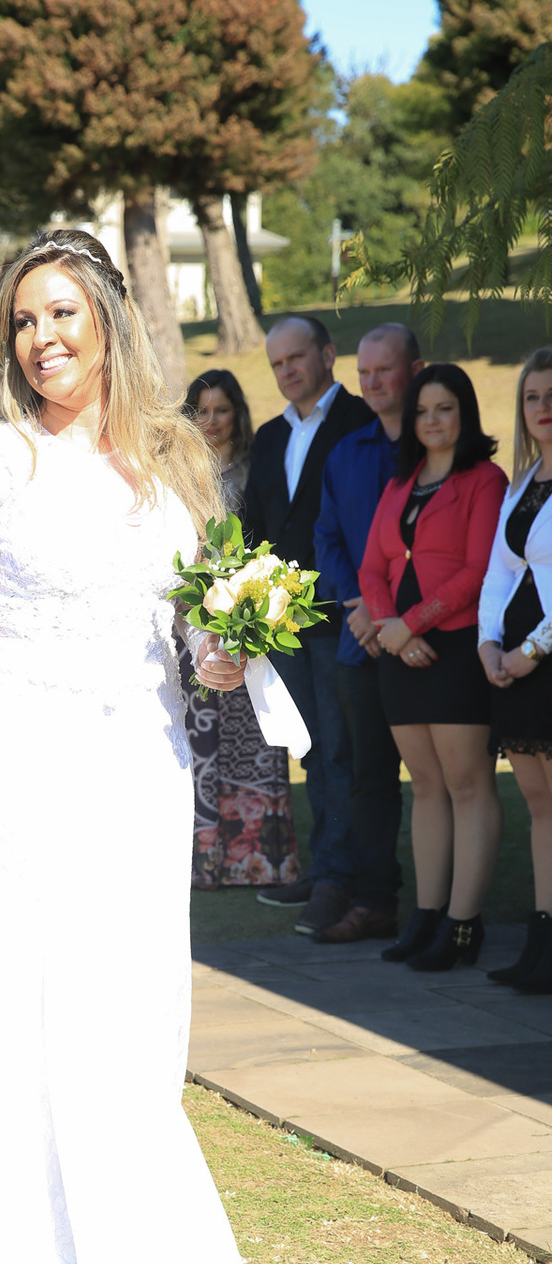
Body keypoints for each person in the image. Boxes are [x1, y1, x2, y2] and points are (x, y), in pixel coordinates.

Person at [0, 228, 252, 1264]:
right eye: (24, 321)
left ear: (105, 322)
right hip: (27, 739)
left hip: (144, 749)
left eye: (61, 316)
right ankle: (5, 1235)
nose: (43, 339)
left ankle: (132, 1235)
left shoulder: (176, 458)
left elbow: (199, 634)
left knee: (133, 975)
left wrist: (225, 656)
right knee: (26, 961)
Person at [359, 365, 507, 970]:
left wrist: (409, 625)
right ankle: (426, 916)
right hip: (401, 652)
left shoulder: (485, 480)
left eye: (444, 409)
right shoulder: (401, 483)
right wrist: (389, 629)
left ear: (464, 413)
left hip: (455, 649)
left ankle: (463, 924)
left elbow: (477, 571)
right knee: (425, 788)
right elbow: (372, 567)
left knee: (468, 785)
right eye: (422, 411)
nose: (432, 420)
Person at [241, 317, 372, 937]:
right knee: (315, 750)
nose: (288, 370)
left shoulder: (360, 424)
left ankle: (342, 879)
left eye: (297, 357)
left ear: (327, 355)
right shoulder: (270, 438)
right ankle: (327, 867)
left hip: (346, 616)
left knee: (345, 750)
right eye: (277, 364)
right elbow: (254, 527)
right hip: (286, 623)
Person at [312, 324, 425, 942]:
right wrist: (358, 601)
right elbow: (327, 538)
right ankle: (376, 898)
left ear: (414, 369)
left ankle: (452, 909)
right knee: (369, 776)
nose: (375, 383)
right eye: (366, 373)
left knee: (441, 781)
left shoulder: (438, 448)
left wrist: (394, 616)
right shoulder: (346, 453)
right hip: (361, 640)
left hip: (427, 640)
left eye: (386, 370)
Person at [179, 369, 300, 888]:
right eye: (200, 410)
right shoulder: (175, 474)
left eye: (221, 410)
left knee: (254, 740)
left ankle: (258, 860)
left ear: (238, 414)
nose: (211, 421)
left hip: (251, 624)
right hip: (195, 627)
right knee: (201, 744)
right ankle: (204, 862)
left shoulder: (257, 468)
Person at [478, 348, 552, 992]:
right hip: (512, 664)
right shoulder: (523, 484)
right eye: (532, 397)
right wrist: (487, 644)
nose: (543, 408)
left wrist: (530, 652)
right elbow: (500, 571)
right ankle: (541, 941)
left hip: (544, 664)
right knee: (540, 807)